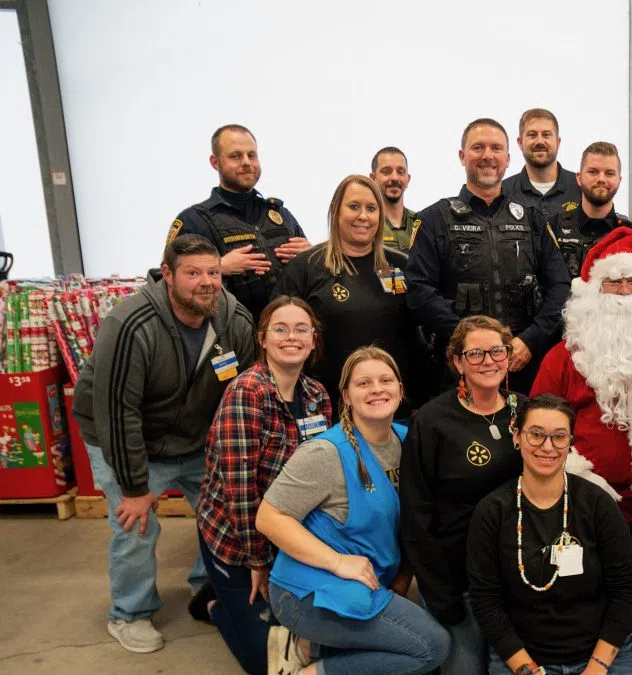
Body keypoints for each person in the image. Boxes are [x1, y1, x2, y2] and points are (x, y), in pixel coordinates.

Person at [72, 234, 256, 654]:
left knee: (225, 512)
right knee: (136, 524)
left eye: (213, 272)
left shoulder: (234, 321)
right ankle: (130, 613)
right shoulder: (131, 324)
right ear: (168, 275)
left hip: (192, 435)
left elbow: (241, 393)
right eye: (193, 273)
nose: (206, 282)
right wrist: (137, 490)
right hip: (120, 434)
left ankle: (206, 586)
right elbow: (119, 413)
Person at [257, 346, 450, 675]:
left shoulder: (410, 441)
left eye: (385, 380)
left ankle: (308, 646)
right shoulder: (325, 453)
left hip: (367, 583)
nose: (377, 388)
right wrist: (338, 561)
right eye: (363, 383)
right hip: (308, 590)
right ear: (345, 395)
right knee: (431, 647)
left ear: (401, 391)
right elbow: (269, 518)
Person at [195, 295, 332, 675]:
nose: (292, 337)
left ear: (313, 339)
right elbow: (240, 492)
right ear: (263, 338)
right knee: (268, 664)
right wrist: (257, 561)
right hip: (236, 537)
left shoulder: (317, 395)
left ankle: (225, 597)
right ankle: (220, 605)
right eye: (281, 329)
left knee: (314, 642)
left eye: (301, 329)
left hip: (285, 532)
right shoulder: (246, 393)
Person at [531, 227, 632, 561]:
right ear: (592, 294)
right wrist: (574, 473)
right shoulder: (563, 357)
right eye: (612, 282)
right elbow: (535, 428)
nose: (624, 292)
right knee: (579, 573)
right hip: (588, 493)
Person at [469, 394, 632, 674]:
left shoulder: (598, 505)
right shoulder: (492, 511)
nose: (547, 447)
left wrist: (596, 668)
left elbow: (626, 591)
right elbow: (486, 601)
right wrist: (527, 668)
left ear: (571, 442)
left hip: (603, 653)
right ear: (516, 437)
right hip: (524, 657)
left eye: (559, 437)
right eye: (536, 434)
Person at [406, 118, 571, 394]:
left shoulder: (533, 220)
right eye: (478, 148)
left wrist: (531, 340)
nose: (487, 156)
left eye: (496, 149)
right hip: (459, 368)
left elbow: (560, 286)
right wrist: (470, 341)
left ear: (507, 158)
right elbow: (418, 290)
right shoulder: (434, 219)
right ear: (462, 156)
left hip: (524, 366)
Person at [400, 316, 526, 674]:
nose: (488, 361)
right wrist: (439, 591)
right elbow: (416, 511)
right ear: (456, 361)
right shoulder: (432, 421)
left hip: (515, 579)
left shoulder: (525, 409)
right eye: (475, 353)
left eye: (497, 351)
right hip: (457, 581)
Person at [273, 175, 432, 415]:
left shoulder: (402, 265)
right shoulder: (306, 267)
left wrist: (423, 399)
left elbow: (419, 337)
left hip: (394, 409)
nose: (363, 216)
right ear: (336, 211)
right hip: (325, 408)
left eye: (371, 208)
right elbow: (277, 337)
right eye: (354, 206)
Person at [168, 124, 309, 321]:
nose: (246, 162)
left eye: (252, 155)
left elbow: (312, 278)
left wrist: (310, 256)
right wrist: (218, 267)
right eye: (235, 156)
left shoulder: (281, 214)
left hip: (285, 335)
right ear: (215, 162)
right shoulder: (193, 220)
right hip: (227, 334)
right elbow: (167, 280)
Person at [550, 142, 632, 278]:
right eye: (593, 172)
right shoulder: (553, 228)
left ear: (619, 180)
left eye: (609, 173)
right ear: (579, 178)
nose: (601, 179)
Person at [501, 108, 583, 217]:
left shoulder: (582, 189)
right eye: (532, 135)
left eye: (546, 135)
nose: (539, 141)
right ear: (520, 142)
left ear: (558, 142)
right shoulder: (502, 193)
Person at [369, 146, 417, 252]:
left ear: (408, 179)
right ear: (373, 179)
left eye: (401, 172)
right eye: (386, 172)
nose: (395, 178)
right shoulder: (366, 224)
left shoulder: (421, 224)